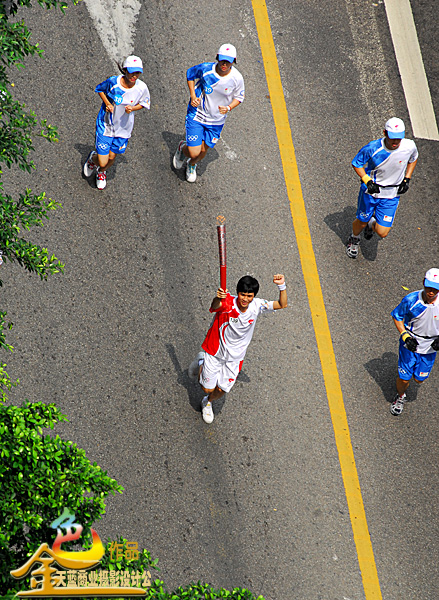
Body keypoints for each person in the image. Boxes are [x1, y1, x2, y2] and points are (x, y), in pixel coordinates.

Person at [188, 274, 287, 423]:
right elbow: (215, 306)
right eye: (242, 295)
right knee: (207, 388)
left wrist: (282, 286)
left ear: (254, 296)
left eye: (249, 296)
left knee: (221, 389)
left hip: (235, 358)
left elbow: (281, 304)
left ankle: (207, 402)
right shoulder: (227, 301)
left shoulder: (257, 305)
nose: (245, 299)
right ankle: (202, 360)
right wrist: (218, 298)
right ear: (237, 293)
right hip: (216, 352)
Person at [346, 117, 418, 258]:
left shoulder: (409, 146)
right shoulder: (373, 148)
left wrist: (407, 178)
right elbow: (357, 163)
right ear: (385, 133)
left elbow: (413, 158)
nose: (396, 142)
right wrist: (367, 181)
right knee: (361, 221)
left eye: (399, 138)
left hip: (391, 194)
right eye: (392, 138)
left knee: (382, 232)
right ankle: (354, 238)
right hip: (371, 192)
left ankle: (372, 224)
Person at [173, 44, 245, 183]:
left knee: (202, 152)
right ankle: (183, 148)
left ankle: (192, 164)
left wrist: (229, 108)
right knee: (194, 151)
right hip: (198, 115)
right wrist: (193, 96)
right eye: (222, 60)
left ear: (233, 61)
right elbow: (190, 74)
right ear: (217, 57)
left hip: (216, 121)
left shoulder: (237, 78)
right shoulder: (206, 69)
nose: (224, 64)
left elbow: (239, 97)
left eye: (228, 61)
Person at [83, 56, 150, 190]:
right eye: (132, 72)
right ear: (125, 70)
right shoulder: (113, 82)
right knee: (103, 160)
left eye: (137, 73)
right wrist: (107, 103)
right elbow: (99, 89)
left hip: (124, 129)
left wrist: (133, 108)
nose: (134, 76)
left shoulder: (142, 88)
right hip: (106, 125)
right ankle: (93, 160)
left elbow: (144, 103)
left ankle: (101, 172)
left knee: (112, 157)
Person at [390, 269, 439, 416]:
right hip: (411, 344)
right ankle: (400, 396)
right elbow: (397, 316)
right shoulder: (411, 300)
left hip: (430, 347)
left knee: (419, 379)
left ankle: (413, 374)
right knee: (404, 378)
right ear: (424, 283)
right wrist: (405, 335)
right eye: (429, 287)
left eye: (435, 289)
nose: (431, 291)